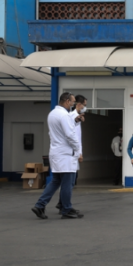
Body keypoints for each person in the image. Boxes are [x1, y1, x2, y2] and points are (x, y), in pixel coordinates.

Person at [30, 92, 83, 220]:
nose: (73, 104)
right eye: (73, 101)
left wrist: (74, 121)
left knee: (56, 181)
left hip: (56, 152)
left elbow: (57, 131)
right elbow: (70, 134)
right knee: (67, 183)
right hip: (66, 154)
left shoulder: (52, 114)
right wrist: (78, 148)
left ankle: (40, 205)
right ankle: (66, 209)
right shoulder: (64, 115)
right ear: (67, 101)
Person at [55, 94, 86, 213]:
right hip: (69, 153)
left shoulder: (76, 118)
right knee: (69, 182)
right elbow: (73, 137)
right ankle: (64, 205)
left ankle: (62, 203)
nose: (85, 108)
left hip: (71, 153)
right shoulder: (70, 116)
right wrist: (79, 153)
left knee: (69, 182)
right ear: (78, 104)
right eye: (84, 105)